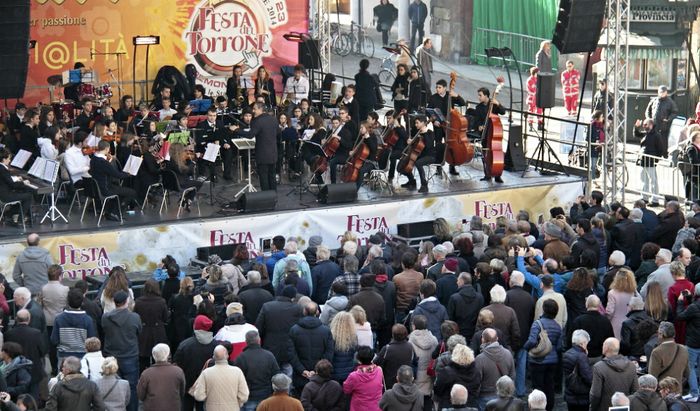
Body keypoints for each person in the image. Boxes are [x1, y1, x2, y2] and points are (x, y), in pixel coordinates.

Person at [101, 291, 141, 411]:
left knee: (114, 386)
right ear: (127, 301)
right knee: (132, 387)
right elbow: (139, 332)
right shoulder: (134, 317)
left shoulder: (105, 318)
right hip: (130, 356)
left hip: (112, 356)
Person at [255, 285, 304, 377]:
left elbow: (259, 327)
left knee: (271, 371)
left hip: (270, 344)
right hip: (289, 347)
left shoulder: (267, 306)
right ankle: (286, 390)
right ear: (293, 297)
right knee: (288, 371)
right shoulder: (297, 308)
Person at [523, 299, 562, 411]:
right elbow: (559, 347)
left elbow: (531, 341)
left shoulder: (537, 324)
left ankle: (537, 407)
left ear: (544, 309)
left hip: (537, 361)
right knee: (549, 386)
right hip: (553, 361)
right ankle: (549, 407)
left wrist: (526, 348)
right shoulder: (558, 326)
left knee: (537, 387)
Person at [288, 302, 334, 392]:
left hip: (300, 375)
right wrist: (317, 370)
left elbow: (291, 353)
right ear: (317, 312)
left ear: (304, 311)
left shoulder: (294, 330)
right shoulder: (326, 330)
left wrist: (302, 370)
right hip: (320, 376)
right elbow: (329, 353)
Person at [89, 140, 137, 219]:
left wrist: (109, 161)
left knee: (120, 190)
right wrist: (129, 174)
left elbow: (102, 171)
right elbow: (117, 175)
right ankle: (115, 213)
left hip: (98, 188)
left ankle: (110, 211)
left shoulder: (93, 159)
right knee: (131, 192)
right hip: (106, 189)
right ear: (107, 149)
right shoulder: (103, 163)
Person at [191, 345, 249, 411]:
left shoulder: (206, 373)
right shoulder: (237, 371)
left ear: (214, 357)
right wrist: (236, 404)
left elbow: (199, 396)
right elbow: (244, 396)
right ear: (227, 356)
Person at [467, 87, 507, 183]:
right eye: (479, 95)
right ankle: (487, 174)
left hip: (494, 133)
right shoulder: (479, 107)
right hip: (485, 134)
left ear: (486, 96)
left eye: (480, 95)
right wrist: (479, 126)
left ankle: (497, 175)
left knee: (496, 155)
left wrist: (498, 103)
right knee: (485, 155)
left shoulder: (493, 105)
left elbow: (503, 111)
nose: (479, 97)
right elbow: (476, 121)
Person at [4, 310, 45, 399]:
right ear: (29, 319)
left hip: (15, 370)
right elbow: (43, 351)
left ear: (16, 319)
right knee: (33, 397)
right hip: (34, 369)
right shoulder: (36, 333)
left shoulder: (8, 334)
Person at [589, 338, 639, 411]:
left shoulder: (599, 367)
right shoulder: (631, 366)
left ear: (606, 348)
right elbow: (635, 391)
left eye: (603, 345)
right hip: (624, 407)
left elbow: (595, 394)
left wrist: (592, 408)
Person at [234, 330, 280, 411]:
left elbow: (237, 379)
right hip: (266, 396)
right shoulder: (269, 355)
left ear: (246, 342)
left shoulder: (241, 357)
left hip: (248, 397)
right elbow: (276, 375)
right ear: (259, 340)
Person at [51, 289, 96, 363]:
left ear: (68, 302)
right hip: (82, 356)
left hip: (64, 357)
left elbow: (54, 340)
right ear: (82, 302)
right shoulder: (88, 320)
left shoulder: (59, 319)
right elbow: (91, 340)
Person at [133, 280, 168, 373]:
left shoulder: (138, 302)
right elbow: (165, 317)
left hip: (143, 333)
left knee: (143, 360)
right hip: (158, 332)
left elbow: (135, 316)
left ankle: (144, 376)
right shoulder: (161, 301)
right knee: (159, 357)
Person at [474, 329, 515, 409]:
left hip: (485, 398)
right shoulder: (508, 353)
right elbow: (512, 376)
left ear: (483, 340)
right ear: (497, 339)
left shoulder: (480, 359)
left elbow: (477, 382)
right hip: (504, 398)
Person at [137, 344, 185, 411]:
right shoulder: (178, 371)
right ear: (168, 355)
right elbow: (182, 392)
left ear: (153, 356)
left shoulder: (146, 373)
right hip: (173, 407)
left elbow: (141, 395)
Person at [568, 295, 614, 361]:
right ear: (599, 306)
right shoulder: (605, 321)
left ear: (586, 304)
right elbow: (610, 339)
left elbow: (570, 339)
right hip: (599, 356)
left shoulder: (579, 320)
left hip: (581, 356)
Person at [408, 315, 439, 409]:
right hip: (430, 375)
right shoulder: (434, 339)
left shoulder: (410, 341)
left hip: (417, 375)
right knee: (428, 401)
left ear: (414, 326)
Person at [246, 102, 278, 191]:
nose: (253, 111)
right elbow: (278, 133)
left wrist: (236, 130)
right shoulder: (274, 119)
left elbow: (250, 135)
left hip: (262, 154)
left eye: (254, 109)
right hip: (273, 153)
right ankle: (273, 197)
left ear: (260, 109)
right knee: (272, 176)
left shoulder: (257, 121)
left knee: (263, 177)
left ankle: (266, 197)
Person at [675, 283, 700, 400]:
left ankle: (695, 393)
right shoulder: (694, 307)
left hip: (693, 342)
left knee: (690, 368)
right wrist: (690, 299)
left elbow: (680, 316)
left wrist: (680, 302)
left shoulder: (694, 307)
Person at [398, 115, 434, 193]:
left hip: (430, 156)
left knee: (418, 163)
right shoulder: (418, 132)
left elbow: (428, 146)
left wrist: (425, 133)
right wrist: (410, 142)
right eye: (415, 123)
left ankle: (424, 185)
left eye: (417, 123)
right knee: (403, 165)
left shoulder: (430, 132)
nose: (415, 125)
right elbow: (416, 145)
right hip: (419, 155)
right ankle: (411, 181)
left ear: (423, 123)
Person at [343, 345, 383, 411]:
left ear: (358, 359)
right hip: (376, 407)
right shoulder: (379, 370)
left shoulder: (354, 376)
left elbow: (346, 390)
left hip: (358, 408)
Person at [636, 118, 665, 205]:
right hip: (643, 159)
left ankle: (655, 200)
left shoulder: (656, 135)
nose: (644, 126)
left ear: (651, 125)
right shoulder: (646, 134)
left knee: (653, 181)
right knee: (644, 180)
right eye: (644, 125)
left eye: (646, 124)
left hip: (651, 160)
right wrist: (636, 127)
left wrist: (656, 159)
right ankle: (645, 197)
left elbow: (660, 148)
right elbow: (637, 134)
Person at [562, 329, 593, 411]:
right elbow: (588, 377)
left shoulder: (567, 353)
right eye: (586, 343)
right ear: (582, 343)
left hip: (570, 393)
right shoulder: (581, 356)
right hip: (580, 397)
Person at [448, 272, 484, 339]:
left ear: (462, 281)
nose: (457, 282)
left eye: (458, 280)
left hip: (458, 333)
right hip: (474, 333)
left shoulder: (454, 298)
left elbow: (450, 318)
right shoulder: (480, 297)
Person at [645, 85, 679, 155]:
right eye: (660, 92)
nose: (662, 94)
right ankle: (653, 153)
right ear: (658, 92)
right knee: (652, 138)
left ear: (666, 92)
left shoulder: (670, 102)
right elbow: (648, 110)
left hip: (664, 125)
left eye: (663, 92)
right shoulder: (654, 100)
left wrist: (668, 119)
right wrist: (649, 119)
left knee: (663, 140)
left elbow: (674, 112)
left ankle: (663, 153)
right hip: (653, 125)